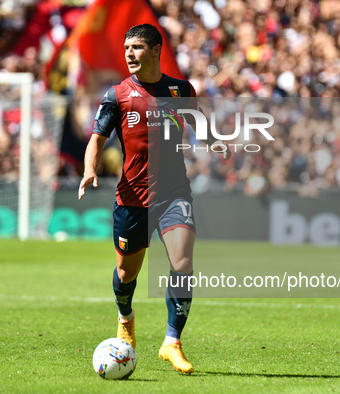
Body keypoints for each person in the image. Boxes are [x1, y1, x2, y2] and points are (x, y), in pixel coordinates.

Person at [78, 24, 230, 374]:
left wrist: (215, 141)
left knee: (182, 263)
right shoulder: (117, 95)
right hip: (132, 197)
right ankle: (125, 317)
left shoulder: (180, 90)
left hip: (174, 194)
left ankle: (172, 342)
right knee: (125, 272)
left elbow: (199, 124)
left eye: (137, 47)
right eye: (126, 46)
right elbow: (97, 139)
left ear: (156, 50)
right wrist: (90, 169)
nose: (129, 53)